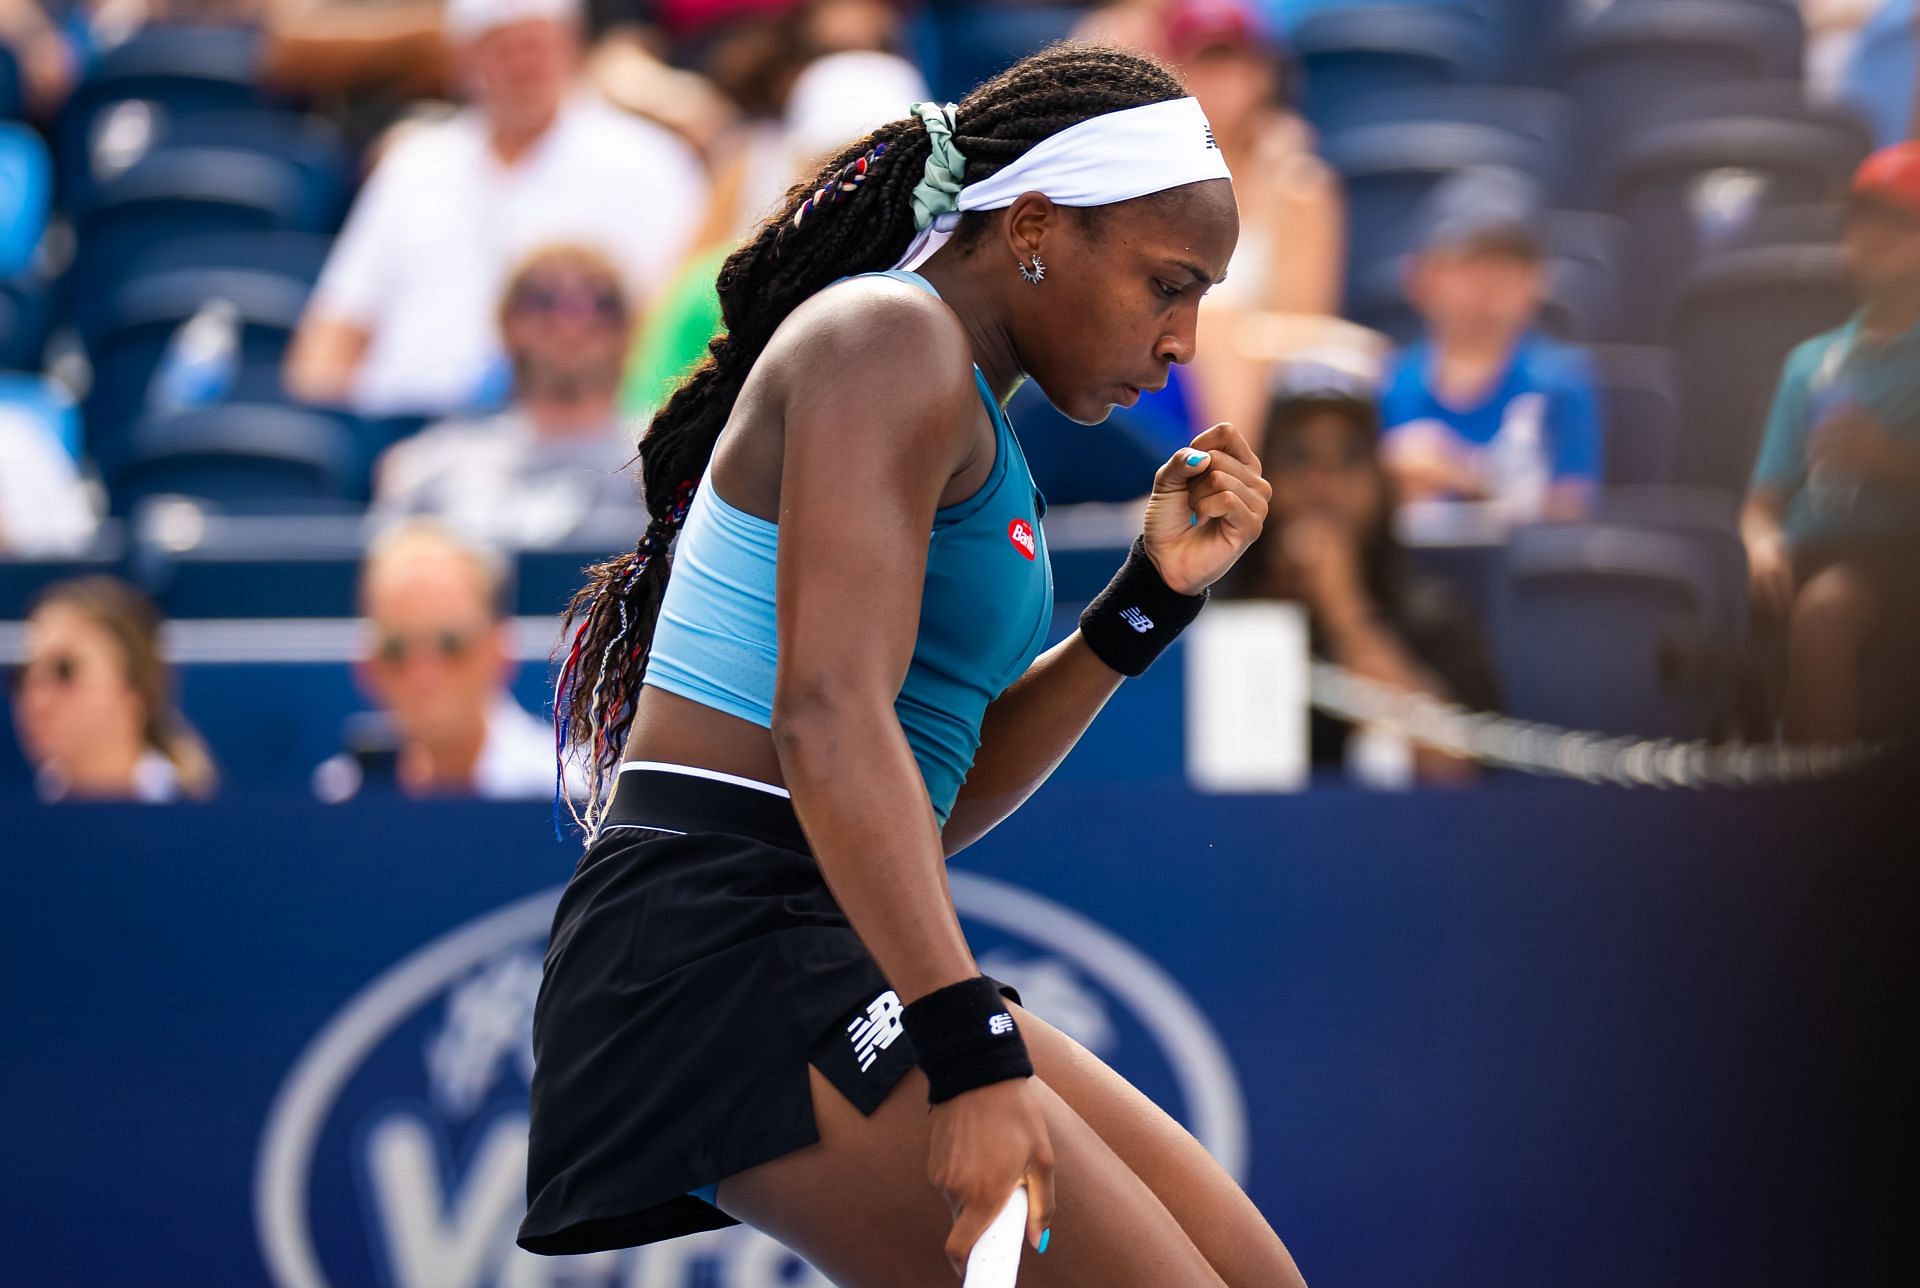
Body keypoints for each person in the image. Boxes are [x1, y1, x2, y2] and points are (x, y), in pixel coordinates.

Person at [519, 45, 1307, 1287]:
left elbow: (917, 796)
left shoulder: (955, 398)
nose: (1182, 341)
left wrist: (1145, 604)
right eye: (1168, 283)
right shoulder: (889, 338)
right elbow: (827, 723)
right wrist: (969, 1048)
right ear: (1037, 228)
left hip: (805, 919)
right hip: (720, 945)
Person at [282, 0, 707, 416]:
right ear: (464, 59)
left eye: (536, 46)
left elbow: (665, 331)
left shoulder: (650, 162)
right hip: (396, 428)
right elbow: (335, 331)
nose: (524, 66)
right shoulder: (414, 162)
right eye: (503, 48)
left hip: (568, 434)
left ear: (571, 46)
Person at [1224, 381, 1498, 785]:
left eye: (1349, 458)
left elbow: (1455, 775)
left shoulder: (1433, 614)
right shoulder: (1217, 605)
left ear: (1379, 480)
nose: (1324, 484)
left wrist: (1344, 609)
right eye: (1299, 457)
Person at [1741, 142, 1920, 745]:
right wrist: (1762, 544)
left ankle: (1816, 812)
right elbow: (1762, 503)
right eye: (1858, 222)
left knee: (1827, 611)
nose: (1869, 239)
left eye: (1897, 224)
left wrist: (1886, 458)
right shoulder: (1812, 362)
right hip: (1809, 549)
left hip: (1901, 549)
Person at [370, 244, 643, 545]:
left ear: (629, 327)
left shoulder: (667, 461)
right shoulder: (429, 468)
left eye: (601, 304)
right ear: (506, 322)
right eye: (543, 301)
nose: (571, 323)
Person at [1379, 167, 1602, 526]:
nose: (1489, 288)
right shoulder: (1385, 385)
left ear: (1539, 282)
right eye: (1469, 265)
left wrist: (1467, 474)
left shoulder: (1561, 382)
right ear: (1421, 277)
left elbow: (1569, 521)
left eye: (1509, 267)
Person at [312, 521, 561, 800]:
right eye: (396, 649)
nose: (423, 674)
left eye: (450, 644)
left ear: (500, 652)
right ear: (368, 667)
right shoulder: (339, 796)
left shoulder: (574, 805)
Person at [12, 577, 217, 802]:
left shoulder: (197, 822)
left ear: (135, 692)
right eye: (25, 673)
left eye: (65, 671)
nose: (37, 698)